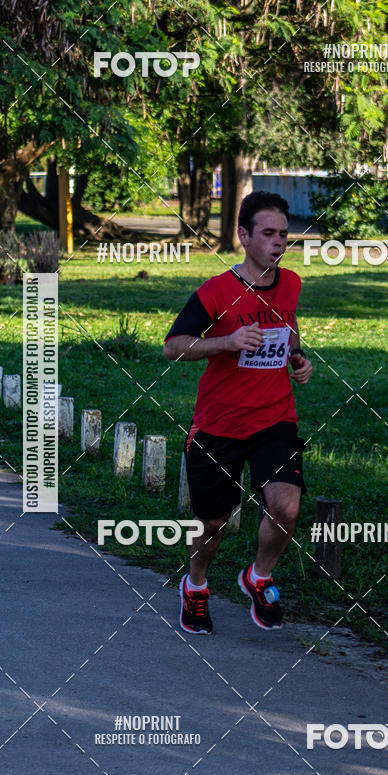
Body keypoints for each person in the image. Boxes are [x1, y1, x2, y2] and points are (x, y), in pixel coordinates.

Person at [163, 191, 312, 634]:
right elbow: (173, 347)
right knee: (214, 523)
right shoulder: (216, 292)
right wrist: (227, 342)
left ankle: (259, 576)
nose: (278, 242)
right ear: (244, 236)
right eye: (268, 233)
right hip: (219, 425)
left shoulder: (291, 283)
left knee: (286, 508)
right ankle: (196, 584)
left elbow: (289, 327)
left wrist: (297, 358)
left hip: (274, 419)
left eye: (284, 234)